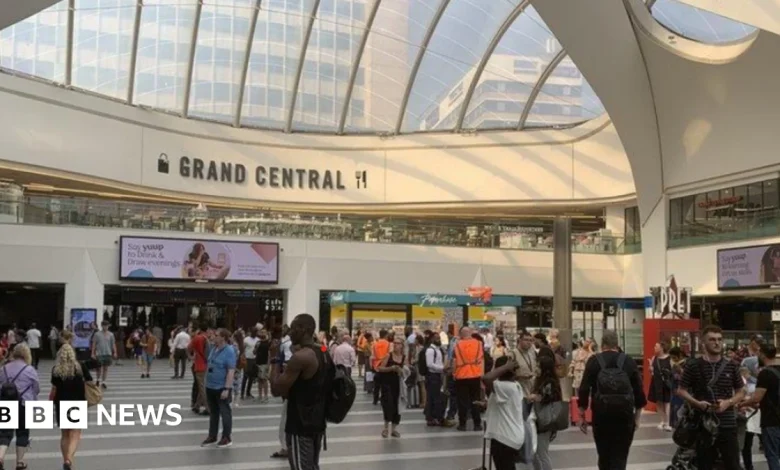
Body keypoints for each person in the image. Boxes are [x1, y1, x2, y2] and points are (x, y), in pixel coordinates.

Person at [678, 325, 745, 470]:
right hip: (703, 425)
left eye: (720, 339)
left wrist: (729, 402)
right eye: (712, 339)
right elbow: (681, 390)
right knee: (704, 464)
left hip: (727, 423)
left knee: (733, 464)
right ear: (704, 343)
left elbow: (741, 391)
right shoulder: (693, 365)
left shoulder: (731, 366)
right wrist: (697, 403)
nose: (717, 343)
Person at [578, 330, 646, 470]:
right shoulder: (628, 361)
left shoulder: (594, 361)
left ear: (602, 344)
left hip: (601, 416)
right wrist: (637, 418)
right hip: (624, 417)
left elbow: (584, 389)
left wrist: (582, 415)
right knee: (620, 456)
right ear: (617, 344)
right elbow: (639, 392)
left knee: (604, 455)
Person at [271, 314, 331, 470]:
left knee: (301, 467)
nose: (290, 332)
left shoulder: (300, 358)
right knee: (312, 465)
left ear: (304, 329)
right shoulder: (324, 351)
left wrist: (275, 360)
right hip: (318, 420)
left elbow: (276, 389)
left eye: (293, 328)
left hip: (300, 423)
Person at [51, 341, 92, 470]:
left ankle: (66, 460)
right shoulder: (80, 367)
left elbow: (54, 388)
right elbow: (89, 380)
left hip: (61, 402)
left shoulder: (56, 369)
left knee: (64, 434)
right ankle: (69, 460)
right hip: (78, 402)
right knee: (75, 433)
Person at [740, 342, 780, 470]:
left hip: (771, 419)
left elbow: (757, 398)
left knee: (772, 454)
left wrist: (741, 403)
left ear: (762, 355)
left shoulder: (765, 373)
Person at [0, 343, 39, 470]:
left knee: (5, 433)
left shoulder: (3, 368)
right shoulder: (30, 369)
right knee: (22, 433)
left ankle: (0, 457)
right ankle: (20, 462)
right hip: (23, 405)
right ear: (26, 354)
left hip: (6, 403)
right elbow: (36, 389)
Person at [483, 356, 525, 470]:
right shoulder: (514, 384)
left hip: (505, 438)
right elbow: (505, 405)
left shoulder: (506, 386)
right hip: (509, 435)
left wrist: (506, 366)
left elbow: (486, 378)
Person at [201, 328, 237, 448]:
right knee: (214, 412)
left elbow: (231, 371)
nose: (213, 337)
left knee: (225, 412)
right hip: (210, 386)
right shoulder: (214, 348)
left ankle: (226, 437)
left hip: (222, 387)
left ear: (223, 338)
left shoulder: (229, 351)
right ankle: (212, 436)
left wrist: (227, 388)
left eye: (216, 335)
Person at [528, 355, 563, 470]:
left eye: (538, 366)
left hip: (544, 420)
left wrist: (535, 396)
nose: (536, 368)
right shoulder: (540, 380)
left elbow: (548, 398)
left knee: (542, 453)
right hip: (539, 419)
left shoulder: (549, 382)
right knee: (536, 452)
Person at [453, 326, 484, 432]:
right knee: (475, 400)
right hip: (475, 374)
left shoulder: (457, 344)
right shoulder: (479, 344)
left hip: (461, 375)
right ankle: (477, 424)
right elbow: (481, 360)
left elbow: (454, 360)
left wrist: (453, 373)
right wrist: (482, 375)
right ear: (471, 332)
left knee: (462, 401)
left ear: (461, 334)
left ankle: (462, 424)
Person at [376, 334, 405, 438]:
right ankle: (385, 428)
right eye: (395, 343)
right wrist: (391, 368)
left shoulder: (404, 357)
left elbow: (406, 371)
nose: (396, 345)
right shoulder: (389, 355)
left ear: (402, 345)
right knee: (388, 405)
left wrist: (401, 371)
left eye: (398, 343)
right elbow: (380, 368)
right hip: (387, 384)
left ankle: (394, 429)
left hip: (398, 385)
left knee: (397, 407)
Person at [649, 341, 673, 431]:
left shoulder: (669, 359)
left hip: (665, 383)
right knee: (658, 402)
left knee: (667, 402)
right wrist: (650, 369)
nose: (654, 348)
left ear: (661, 348)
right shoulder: (654, 358)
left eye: (656, 346)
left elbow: (674, 372)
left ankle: (667, 422)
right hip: (656, 382)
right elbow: (652, 372)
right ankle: (662, 421)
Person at [188, 323, 209, 416]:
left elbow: (188, 348)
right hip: (206, 364)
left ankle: (208, 408)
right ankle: (197, 406)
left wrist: (191, 357)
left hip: (199, 364)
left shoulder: (197, 338)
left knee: (201, 387)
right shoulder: (206, 338)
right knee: (202, 386)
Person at [90, 320, 116, 390]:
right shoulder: (97, 334)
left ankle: (104, 382)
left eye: (107, 326)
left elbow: (113, 344)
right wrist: (92, 353)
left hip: (108, 353)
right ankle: (98, 380)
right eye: (104, 326)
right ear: (102, 326)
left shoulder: (111, 334)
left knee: (106, 368)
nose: (106, 327)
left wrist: (115, 352)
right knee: (98, 368)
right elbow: (94, 344)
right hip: (99, 353)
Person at [511, 330, 538, 396]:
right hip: (519, 392)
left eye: (530, 340)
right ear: (520, 340)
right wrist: (519, 376)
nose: (528, 342)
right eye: (526, 340)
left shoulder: (532, 354)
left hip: (532, 392)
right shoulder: (513, 354)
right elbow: (506, 375)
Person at [242, 328, 259, 400]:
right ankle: (242, 393)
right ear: (251, 332)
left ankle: (248, 392)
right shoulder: (246, 339)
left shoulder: (258, 340)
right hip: (247, 359)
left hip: (254, 359)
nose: (255, 334)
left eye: (256, 332)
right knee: (245, 376)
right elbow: (243, 349)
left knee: (251, 377)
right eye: (254, 332)